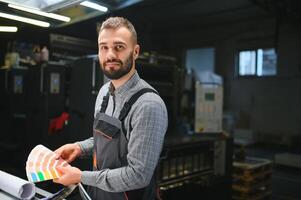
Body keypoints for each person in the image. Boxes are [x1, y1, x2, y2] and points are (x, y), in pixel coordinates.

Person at [53, 16, 168, 200]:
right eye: (104, 47)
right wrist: (79, 148)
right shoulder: (104, 92)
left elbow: (138, 175)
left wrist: (81, 177)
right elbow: (107, 139)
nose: (110, 55)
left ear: (135, 51)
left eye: (119, 47)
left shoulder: (148, 105)